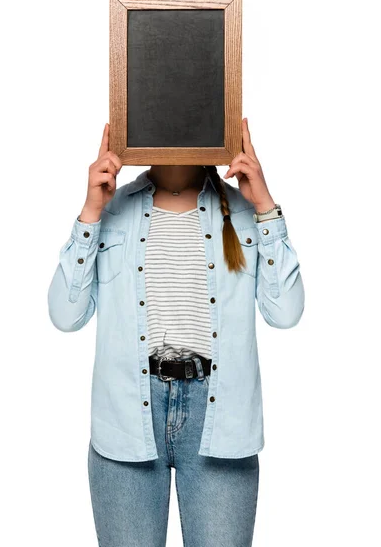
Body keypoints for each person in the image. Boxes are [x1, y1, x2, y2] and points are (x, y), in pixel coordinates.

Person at [48, 118, 305, 547]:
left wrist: (265, 206)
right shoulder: (112, 210)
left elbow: (286, 312)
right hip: (128, 415)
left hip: (220, 420)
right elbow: (64, 314)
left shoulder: (243, 213)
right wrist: (90, 212)